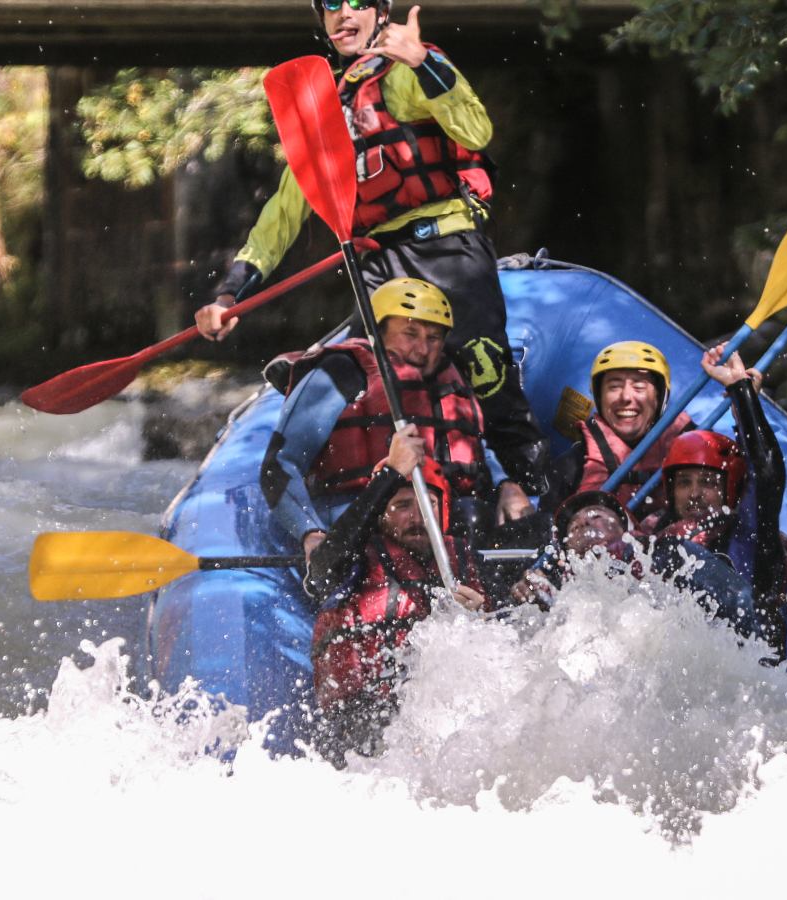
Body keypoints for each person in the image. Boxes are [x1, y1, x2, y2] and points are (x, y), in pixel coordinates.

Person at [194, 0, 549, 492]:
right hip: (379, 266)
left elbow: (477, 131)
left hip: (448, 253)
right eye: (331, 5)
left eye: (358, 2)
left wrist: (422, 61)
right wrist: (231, 294)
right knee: (369, 385)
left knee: (487, 377)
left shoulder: (408, 70)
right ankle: (382, 509)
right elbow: (283, 212)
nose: (344, 14)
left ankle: (529, 498)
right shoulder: (323, 108)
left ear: (381, 11)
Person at [261, 278, 532, 560]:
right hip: (356, 521)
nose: (422, 350)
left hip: (432, 521)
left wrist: (506, 485)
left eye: (433, 338)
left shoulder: (449, 380)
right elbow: (279, 464)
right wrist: (312, 533)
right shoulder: (342, 372)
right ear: (377, 332)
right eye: (410, 334)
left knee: (481, 518)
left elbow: (472, 447)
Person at [303, 425, 494, 763]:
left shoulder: (462, 560)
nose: (418, 517)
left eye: (428, 504)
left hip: (445, 722)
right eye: (403, 505)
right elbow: (323, 569)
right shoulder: (356, 558)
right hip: (362, 722)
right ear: (380, 514)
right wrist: (391, 474)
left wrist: (481, 620)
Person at [636, 344, 787, 662]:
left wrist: (742, 393)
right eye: (684, 482)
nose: (695, 493)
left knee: (675, 552)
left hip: (748, 665)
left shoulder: (751, 532)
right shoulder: (655, 529)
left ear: (732, 489)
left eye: (709, 483)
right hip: (676, 663)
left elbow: (766, 475)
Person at [510, 491, 760, 642]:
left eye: (596, 516)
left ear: (627, 528)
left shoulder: (665, 553)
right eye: (573, 526)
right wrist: (536, 610)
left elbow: (738, 601)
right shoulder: (562, 588)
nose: (583, 522)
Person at [539, 341, 693, 522]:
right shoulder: (569, 468)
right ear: (599, 397)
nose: (626, 397)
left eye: (639, 387)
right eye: (614, 386)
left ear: (659, 397)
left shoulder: (693, 449)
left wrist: (735, 387)